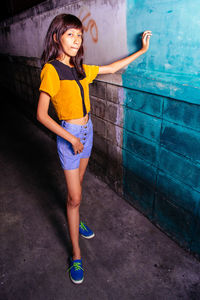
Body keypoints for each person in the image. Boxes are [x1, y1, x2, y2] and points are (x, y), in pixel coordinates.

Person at [37, 13, 151, 284]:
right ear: (57, 37)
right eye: (70, 34)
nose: (76, 40)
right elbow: (42, 115)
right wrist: (71, 138)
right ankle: (76, 255)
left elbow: (111, 68)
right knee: (74, 197)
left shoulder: (79, 68)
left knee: (79, 185)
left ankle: (77, 220)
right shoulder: (51, 70)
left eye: (79, 35)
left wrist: (142, 50)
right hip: (71, 135)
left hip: (87, 133)